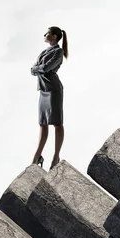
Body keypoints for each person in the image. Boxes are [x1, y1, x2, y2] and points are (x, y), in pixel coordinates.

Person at [30, 26, 68, 170]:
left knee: (57, 123)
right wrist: (38, 68)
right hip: (43, 90)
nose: (45, 35)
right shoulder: (44, 52)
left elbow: (45, 68)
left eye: (47, 33)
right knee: (43, 123)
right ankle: (37, 156)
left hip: (53, 90)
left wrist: (37, 69)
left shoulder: (58, 51)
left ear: (54, 36)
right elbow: (34, 69)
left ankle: (55, 156)